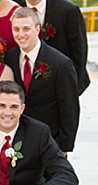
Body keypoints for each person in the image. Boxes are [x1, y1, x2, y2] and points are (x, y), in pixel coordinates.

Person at [5, 8, 79, 153]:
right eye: (16, 29)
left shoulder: (61, 63)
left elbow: (69, 108)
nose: (21, 34)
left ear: (37, 29)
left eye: (26, 29)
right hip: (17, 138)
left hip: (50, 140)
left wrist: (64, 148)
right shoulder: (10, 58)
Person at [11, 0, 90, 94]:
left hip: (60, 83)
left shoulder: (68, 10)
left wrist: (72, 88)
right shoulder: (13, 6)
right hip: (25, 88)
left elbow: (79, 51)